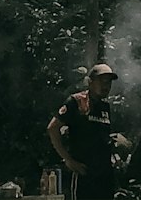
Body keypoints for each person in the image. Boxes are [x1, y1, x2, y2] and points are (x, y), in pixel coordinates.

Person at [47, 63, 121, 200]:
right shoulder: (76, 101)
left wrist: (113, 153)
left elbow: (101, 137)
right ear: (90, 82)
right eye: (102, 81)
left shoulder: (105, 107)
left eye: (109, 82)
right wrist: (68, 159)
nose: (106, 86)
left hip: (105, 176)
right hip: (84, 174)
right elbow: (52, 128)